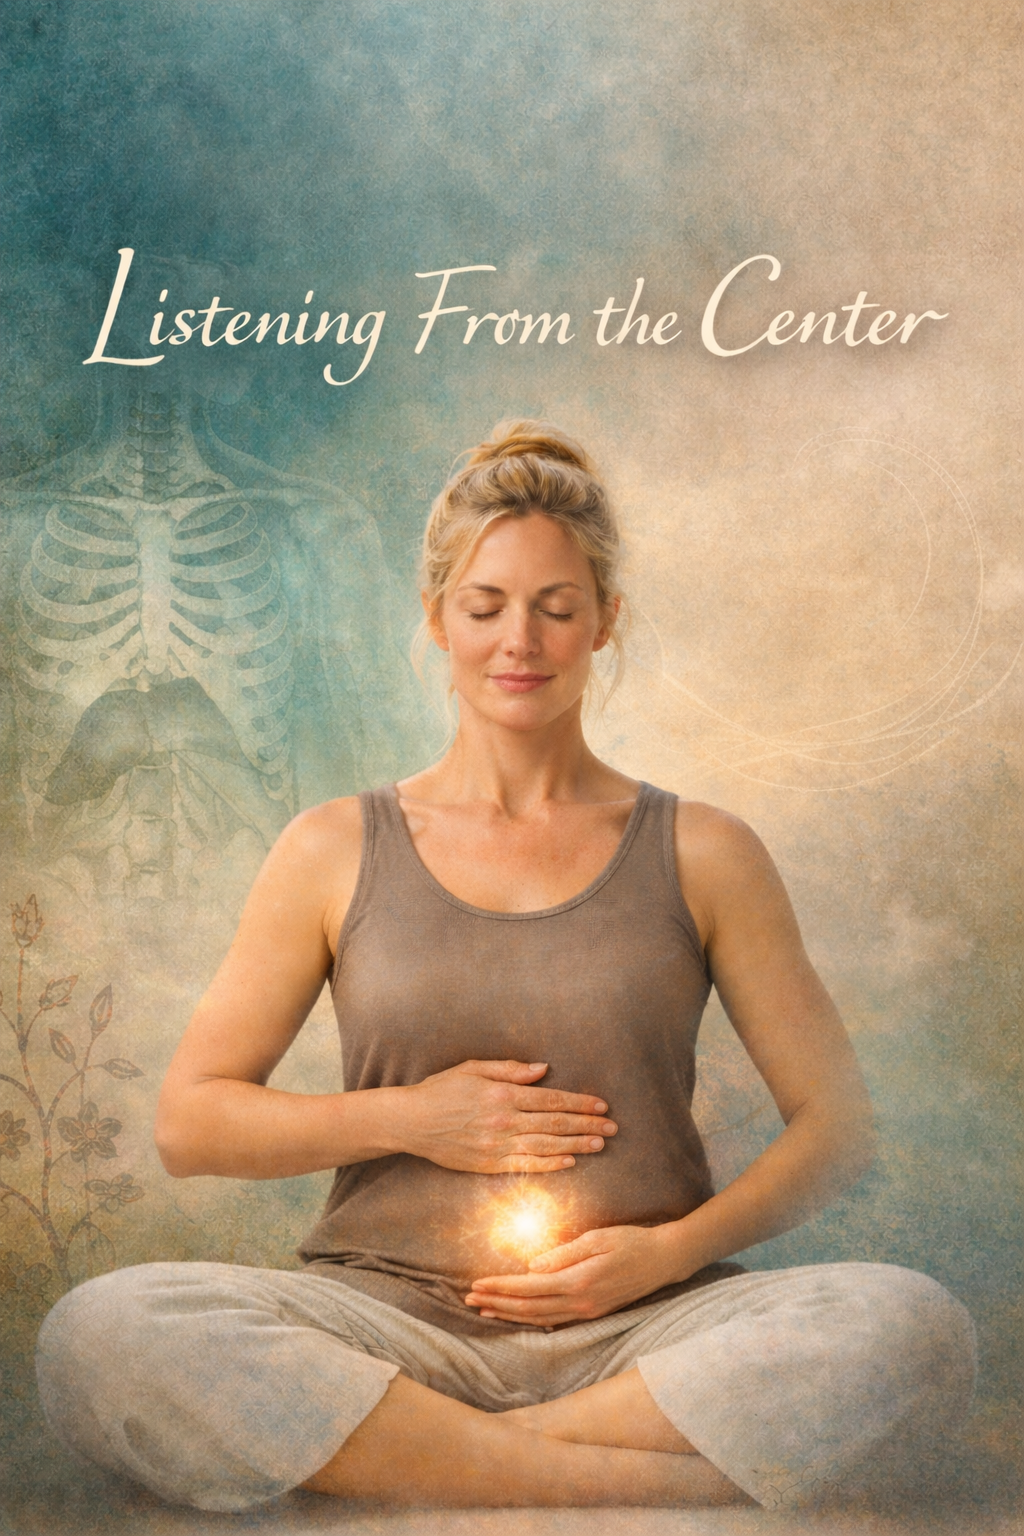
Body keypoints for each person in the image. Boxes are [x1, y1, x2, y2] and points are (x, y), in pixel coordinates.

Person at [36, 421, 976, 1514]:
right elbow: (191, 1124)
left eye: (555, 607)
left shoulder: (707, 851)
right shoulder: (330, 847)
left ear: (605, 621)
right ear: (437, 618)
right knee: (101, 1333)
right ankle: (611, 1478)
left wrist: (669, 1254)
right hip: (379, 1328)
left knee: (913, 1327)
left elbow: (836, 1127)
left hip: (645, 1334)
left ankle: (399, 1459)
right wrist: (414, 1119)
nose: (517, 641)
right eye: (484, 607)